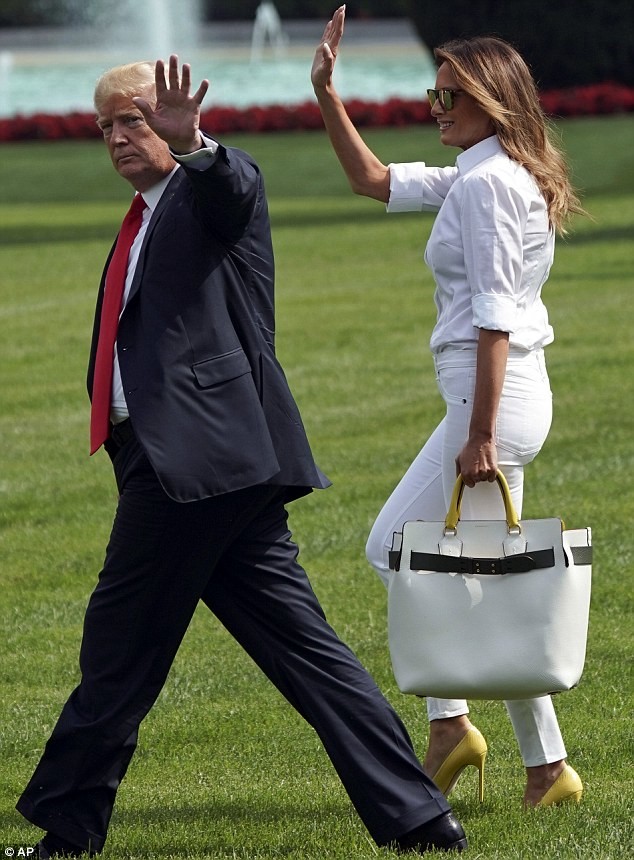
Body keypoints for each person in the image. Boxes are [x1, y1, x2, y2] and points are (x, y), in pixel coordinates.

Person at [15, 55, 469, 857]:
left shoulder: (208, 192)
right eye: (105, 126)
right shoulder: (144, 214)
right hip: (202, 465)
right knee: (304, 651)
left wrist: (194, 143)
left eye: (132, 119)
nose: (117, 137)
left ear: (173, 120)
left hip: (194, 469)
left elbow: (235, 186)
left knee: (119, 648)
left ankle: (65, 832)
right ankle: (422, 820)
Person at [311, 6, 585, 809]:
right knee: (480, 573)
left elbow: (495, 317)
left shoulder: (490, 185)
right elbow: (373, 181)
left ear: (491, 102)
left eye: (450, 97)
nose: (437, 109)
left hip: (491, 403)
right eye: (434, 95)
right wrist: (327, 94)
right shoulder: (480, 172)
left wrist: (479, 436)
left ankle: (457, 728)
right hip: (496, 399)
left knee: (406, 551)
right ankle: (535, 762)